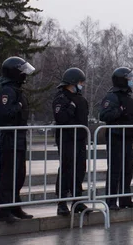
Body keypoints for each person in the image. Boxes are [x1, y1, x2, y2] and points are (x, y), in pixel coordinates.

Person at [0, 57, 35, 223]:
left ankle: (15, 205)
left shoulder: (16, 90)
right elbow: (5, 115)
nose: (25, 75)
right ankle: (3, 210)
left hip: (18, 139)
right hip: (9, 139)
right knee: (7, 175)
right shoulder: (6, 91)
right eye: (22, 72)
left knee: (18, 175)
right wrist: (18, 107)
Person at [99, 67, 133, 211]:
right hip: (116, 137)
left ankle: (125, 199)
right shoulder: (112, 96)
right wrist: (120, 111)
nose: (131, 82)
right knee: (115, 170)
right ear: (122, 80)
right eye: (129, 80)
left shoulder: (127, 97)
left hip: (127, 137)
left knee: (127, 169)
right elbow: (104, 115)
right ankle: (111, 201)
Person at [53, 67, 89, 216]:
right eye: (80, 82)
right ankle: (62, 203)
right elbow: (61, 119)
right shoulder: (61, 98)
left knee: (79, 170)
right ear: (72, 82)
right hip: (67, 139)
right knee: (66, 170)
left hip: (80, 140)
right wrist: (70, 108)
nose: (82, 85)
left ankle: (77, 200)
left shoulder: (80, 99)